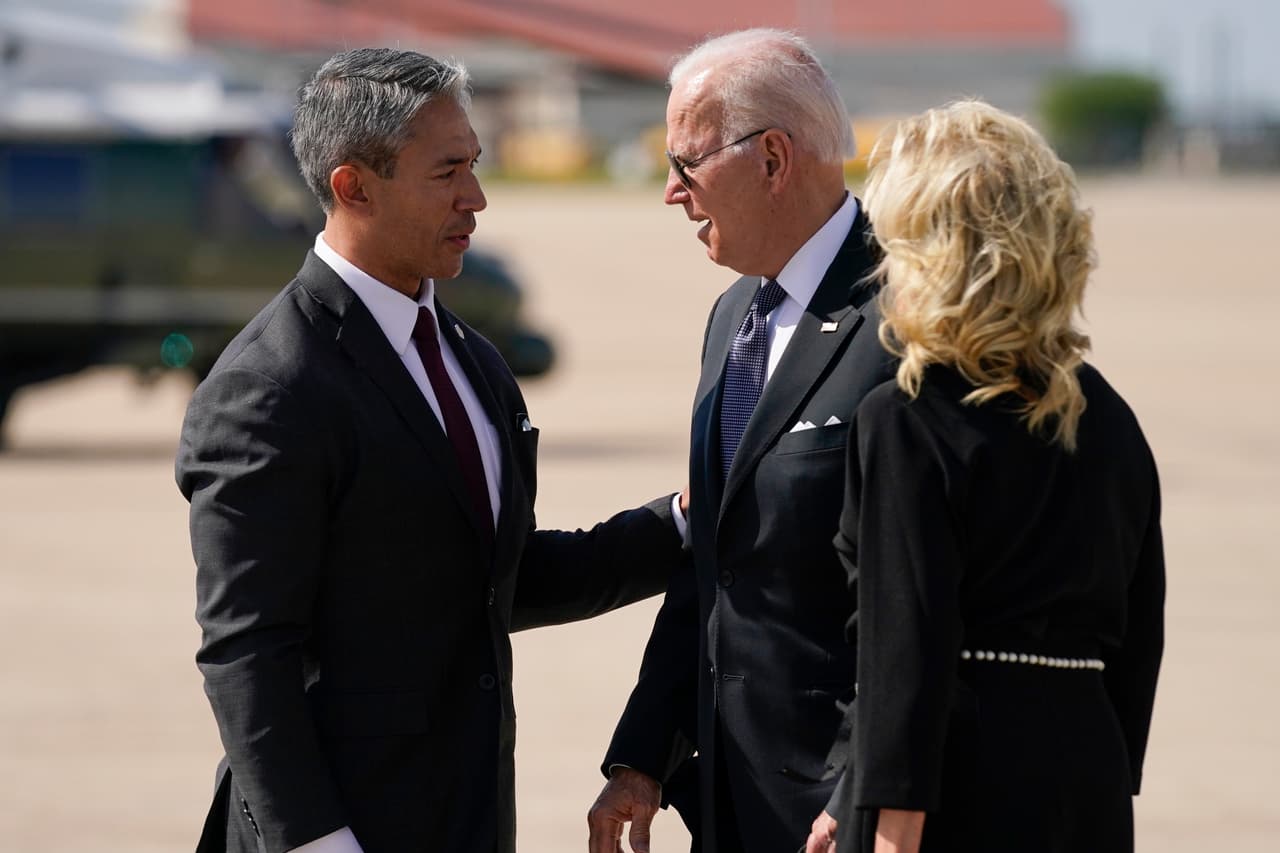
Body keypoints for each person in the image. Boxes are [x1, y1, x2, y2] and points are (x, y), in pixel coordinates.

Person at [177, 48, 684, 853]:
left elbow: (489, 579)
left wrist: (681, 526)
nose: (476, 198)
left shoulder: (470, 359)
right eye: (448, 172)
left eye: (475, 165)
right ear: (354, 186)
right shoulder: (270, 387)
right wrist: (318, 842)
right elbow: (248, 652)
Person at [804, 100, 1165, 853]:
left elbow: (907, 647)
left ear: (936, 259)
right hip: (1087, 782)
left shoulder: (908, 419)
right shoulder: (1108, 416)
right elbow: (1139, 636)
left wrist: (889, 833)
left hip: (953, 789)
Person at [587, 30, 895, 853]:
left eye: (685, 164)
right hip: (731, 808)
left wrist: (871, 784)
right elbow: (714, 569)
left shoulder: (909, 321)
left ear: (771, 160)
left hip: (845, 817)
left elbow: (932, 598)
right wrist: (643, 757)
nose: (670, 192)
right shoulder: (736, 318)